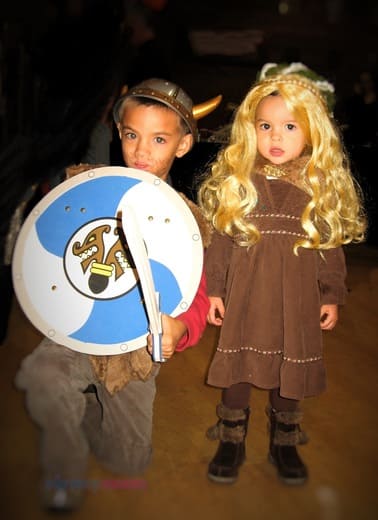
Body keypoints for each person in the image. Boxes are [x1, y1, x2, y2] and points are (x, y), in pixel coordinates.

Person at [15, 78, 215, 512]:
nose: (142, 150)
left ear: (182, 146)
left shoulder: (188, 223)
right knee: (41, 375)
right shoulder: (82, 189)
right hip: (76, 332)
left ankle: (89, 411)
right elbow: (46, 242)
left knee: (126, 461)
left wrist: (179, 327)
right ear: (117, 133)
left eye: (159, 139)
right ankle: (64, 478)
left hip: (134, 351)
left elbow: (196, 296)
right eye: (131, 135)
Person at [198, 62, 366, 486]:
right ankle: (232, 437)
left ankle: (284, 440)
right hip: (247, 296)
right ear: (249, 129)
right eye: (266, 125)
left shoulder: (317, 186)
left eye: (290, 127)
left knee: (290, 371)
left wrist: (331, 294)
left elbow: (330, 245)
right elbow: (219, 239)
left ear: (312, 132)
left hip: (297, 301)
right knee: (237, 366)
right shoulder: (240, 181)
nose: (276, 137)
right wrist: (214, 290)